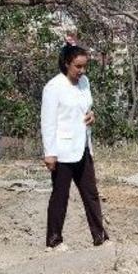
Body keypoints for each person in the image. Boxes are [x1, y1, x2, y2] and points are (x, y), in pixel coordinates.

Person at [40, 44, 109, 251]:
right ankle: (54, 240)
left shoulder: (84, 83)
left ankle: (100, 237)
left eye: (84, 66)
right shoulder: (53, 87)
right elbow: (48, 122)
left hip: (83, 147)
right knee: (60, 195)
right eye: (78, 67)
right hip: (62, 150)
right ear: (66, 63)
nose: (82, 71)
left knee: (91, 193)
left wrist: (91, 115)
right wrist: (49, 153)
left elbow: (85, 108)